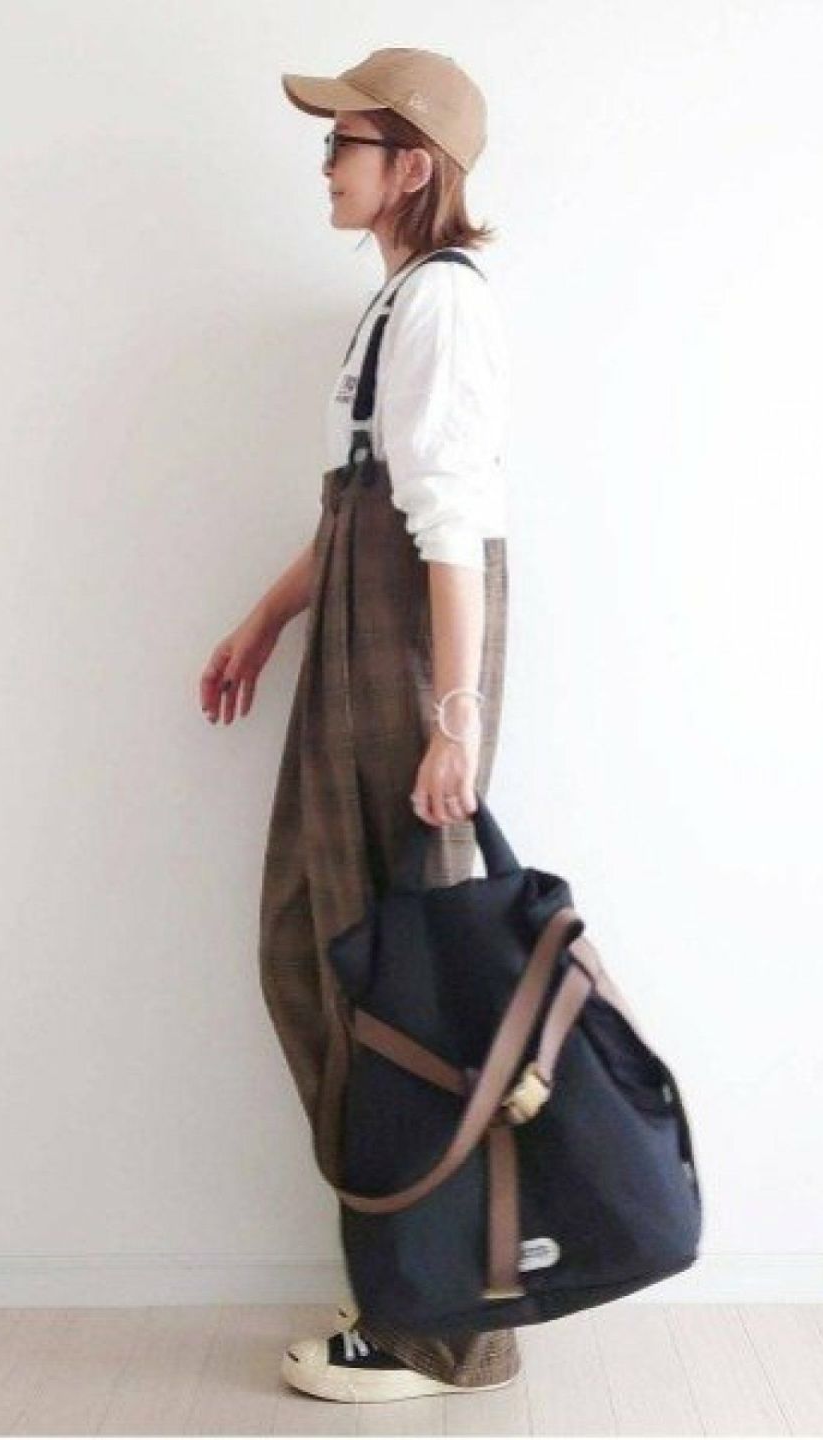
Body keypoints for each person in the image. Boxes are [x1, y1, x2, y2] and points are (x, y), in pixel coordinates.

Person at [198, 48, 519, 1404]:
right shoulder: (398, 302)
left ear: (413, 167)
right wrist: (269, 618)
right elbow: (359, 509)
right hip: (364, 634)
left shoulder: (439, 303)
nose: (326, 163)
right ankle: (415, 1290)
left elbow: (450, 522)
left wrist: (453, 720)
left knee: (400, 987)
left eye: (346, 142)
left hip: (405, 656)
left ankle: (436, 1327)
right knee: (328, 955)